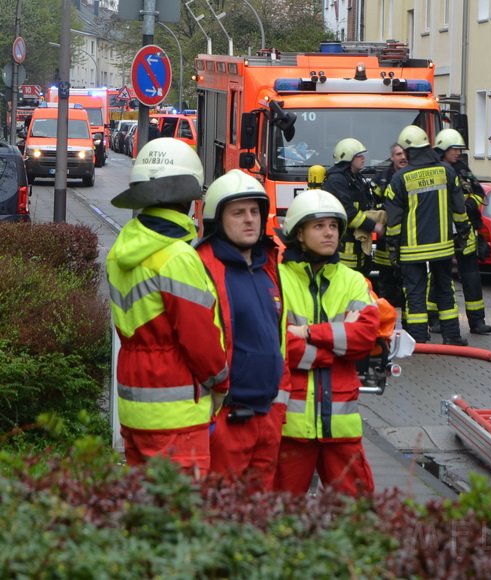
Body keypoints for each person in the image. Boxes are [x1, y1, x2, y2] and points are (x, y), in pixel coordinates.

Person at [106, 138, 228, 477]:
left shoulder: (121, 250)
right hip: (177, 415)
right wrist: (220, 384)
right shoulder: (177, 257)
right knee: (179, 520)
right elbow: (200, 340)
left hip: (134, 405)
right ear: (186, 199)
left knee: (146, 515)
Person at [274, 189, 380, 496]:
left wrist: (308, 333)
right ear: (299, 234)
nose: (329, 233)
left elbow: (363, 339)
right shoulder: (277, 279)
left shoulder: (353, 281)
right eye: (319, 226)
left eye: (333, 226)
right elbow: (276, 346)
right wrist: (330, 353)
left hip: (341, 428)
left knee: (356, 516)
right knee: (281, 516)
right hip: (291, 428)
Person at [196, 169, 289, 490]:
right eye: (238, 213)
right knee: (221, 516)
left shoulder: (269, 268)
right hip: (226, 420)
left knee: (258, 519)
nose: (249, 219)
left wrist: (278, 411)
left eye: (254, 211)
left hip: (267, 417)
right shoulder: (202, 268)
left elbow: (279, 340)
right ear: (217, 220)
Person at [382, 125, 470, 345]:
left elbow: (394, 220)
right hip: (442, 246)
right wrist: (463, 233)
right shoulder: (447, 172)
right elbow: (459, 208)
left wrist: (393, 248)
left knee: (415, 293)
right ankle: (452, 336)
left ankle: (418, 339)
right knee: (445, 291)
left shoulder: (400, 179)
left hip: (412, 250)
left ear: (409, 150)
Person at [426, 128, 491, 336]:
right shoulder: (434, 170)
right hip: (443, 231)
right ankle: (434, 318)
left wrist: (467, 203)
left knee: (471, 277)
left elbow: (479, 194)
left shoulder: (463, 170)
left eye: (459, 149)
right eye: (454, 149)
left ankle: (477, 321)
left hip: (466, 231)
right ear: (443, 150)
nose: (457, 153)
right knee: (439, 277)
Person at [322, 138, 384, 276]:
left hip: (357, 248)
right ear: (348, 157)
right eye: (359, 156)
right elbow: (348, 213)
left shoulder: (356, 178)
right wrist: (374, 226)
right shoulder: (337, 181)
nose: (363, 159)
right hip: (344, 251)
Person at [371, 144, 408, 318]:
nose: (403, 157)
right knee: (386, 289)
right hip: (385, 244)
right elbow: (372, 203)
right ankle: (386, 324)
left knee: (409, 290)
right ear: (391, 157)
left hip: (408, 241)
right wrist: (385, 213)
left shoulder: (411, 176)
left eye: (405, 153)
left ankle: (411, 328)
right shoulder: (382, 179)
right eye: (398, 154)